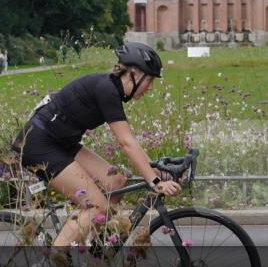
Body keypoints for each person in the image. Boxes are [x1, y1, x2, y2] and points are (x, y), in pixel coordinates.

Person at [11, 42, 182, 253]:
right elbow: (126, 142)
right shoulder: (107, 89)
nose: (151, 87)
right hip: (39, 144)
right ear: (134, 73)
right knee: (98, 206)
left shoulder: (110, 89)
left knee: (116, 183)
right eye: (150, 79)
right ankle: (50, 266)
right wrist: (155, 181)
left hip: (61, 141)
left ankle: (94, 255)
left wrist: (158, 172)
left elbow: (130, 143)